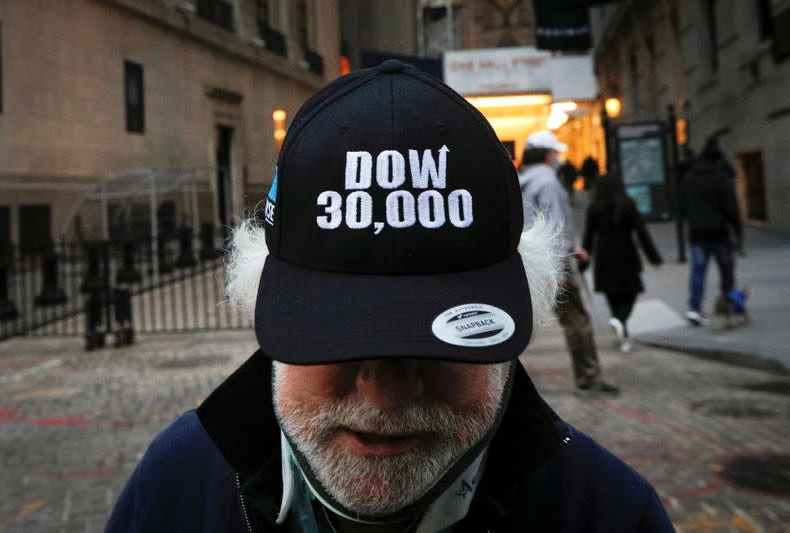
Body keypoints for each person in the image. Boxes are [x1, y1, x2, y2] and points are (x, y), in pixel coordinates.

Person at [105, 61, 672, 532]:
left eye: (440, 332)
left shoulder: (611, 516)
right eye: (337, 328)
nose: (388, 387)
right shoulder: (176, 488)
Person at [519, 131, 619, 395]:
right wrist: (561, 264)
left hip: (533, 261)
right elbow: (553, 226)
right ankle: (588, 377)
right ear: (547, 154)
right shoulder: (548, 182)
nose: (557, 158)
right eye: (554, 153)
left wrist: (572, 247)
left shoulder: (524, 181)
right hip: (554, 263)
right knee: (578, 321)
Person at [582, 175, 662, 352]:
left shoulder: (594, 207)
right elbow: (642, 232)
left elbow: (588, 236)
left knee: (613, 297)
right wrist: (653, 257)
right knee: (631, 292)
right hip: (626, 253)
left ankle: (621, 330)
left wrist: (583, 263)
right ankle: (620, 324)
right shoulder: (628, 204)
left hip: (604, 256)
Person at [679, 136, 743, 326]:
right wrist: (738, 236)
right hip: (719, 233)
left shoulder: (690, 178)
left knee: (698, 272)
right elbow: (732, 210)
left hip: (697, 233)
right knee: (726, 270)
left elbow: (682, 208)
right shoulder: (720, 178)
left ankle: (694, 308)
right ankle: (727, 304)